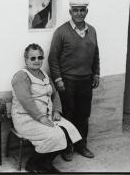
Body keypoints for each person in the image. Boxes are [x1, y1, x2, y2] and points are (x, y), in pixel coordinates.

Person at [11, 43, 82, 173]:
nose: (37, 61)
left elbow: (54, 94)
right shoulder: (21, 76)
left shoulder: (44, 74)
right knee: (55, 135)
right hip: (26, 119)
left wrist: (56, 110)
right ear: (26, 60)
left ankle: (45, 163)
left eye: (40, 57)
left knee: (69, 132)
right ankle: (32, 164)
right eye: (32, 58)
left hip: (46, 116)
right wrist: (41, 118)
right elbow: (26, 101)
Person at [48, 0, 100, 161]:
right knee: (68, 115)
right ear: (70, 12)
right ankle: (67, 147)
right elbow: (52, 58)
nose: (79, 13)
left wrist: (96, 73)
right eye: (75, 10)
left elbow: (96, 54)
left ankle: (81, 145)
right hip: (67, 82)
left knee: (83, 115)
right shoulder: (61, 32)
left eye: (82, 10)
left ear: (86, 12)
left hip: (86, 81)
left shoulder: (92, 30)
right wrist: (58, 80)